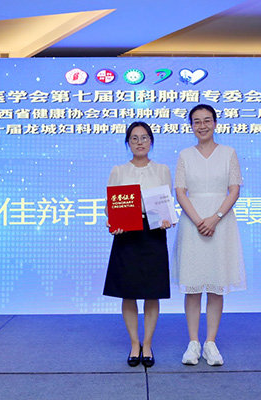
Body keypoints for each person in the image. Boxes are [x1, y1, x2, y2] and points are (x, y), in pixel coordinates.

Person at [172, 104, 246, 366]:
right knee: (192, 286)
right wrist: (198, 220)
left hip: (221, 223)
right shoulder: (185, 155)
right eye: (196, 121)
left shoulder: (228, 153)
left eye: (206, 120)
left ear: (215, 123)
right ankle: (193, 343)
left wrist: (216, 217)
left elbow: (234, 190)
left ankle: (210, 343)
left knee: (216, 285)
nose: (201, 126)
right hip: (192, 223)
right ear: (191, 126)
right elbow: (180, 191)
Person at [104, 121, 172, 368]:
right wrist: (113, 221)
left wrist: (167, 219)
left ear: (151, 141)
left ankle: (148, 343)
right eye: (134, 138)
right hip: (127, 235)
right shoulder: (119, 170)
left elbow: (167, 202)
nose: (140, 142)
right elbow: (110, 206)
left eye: (144, 137)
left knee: (152, 291)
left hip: (154, 233)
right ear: (128, 143)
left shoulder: (162, 169)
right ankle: (135, 344)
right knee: (128, 291)